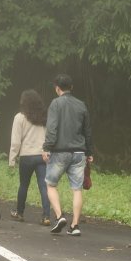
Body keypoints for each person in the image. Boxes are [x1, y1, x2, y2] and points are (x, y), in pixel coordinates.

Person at [42, 74, 94, 236]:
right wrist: (89, 152)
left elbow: (52, 128)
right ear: (71, 88)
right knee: (77, 189)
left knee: (50, 184)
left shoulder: (55, 104)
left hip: (60, 151)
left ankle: (59, 217)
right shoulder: (81, 105)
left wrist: (46, 147)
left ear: (57, 88)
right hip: (79, 152)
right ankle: (75, 225)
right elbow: (88, 131)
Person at [8, 89, 51, 226]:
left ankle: (19, 213)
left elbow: (15, 141)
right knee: (44, 186)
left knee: (24, 185)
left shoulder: (19, 117)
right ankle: (46, 216)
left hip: (26, 156)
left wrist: (12, 159)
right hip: (41, 156)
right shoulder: (44, 117)